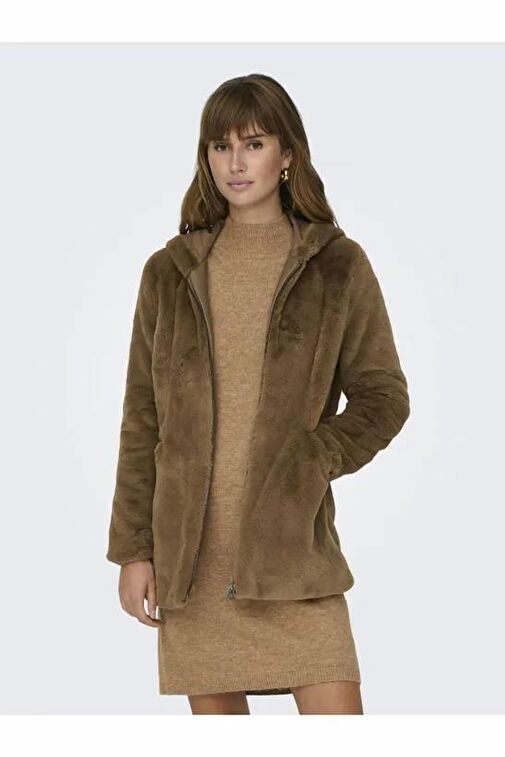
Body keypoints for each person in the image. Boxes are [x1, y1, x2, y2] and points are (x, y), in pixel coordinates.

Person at [106, 73, 410, 715]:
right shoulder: (169, 272)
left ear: (287, 154)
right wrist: (133, 550)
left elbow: (383, 396)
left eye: (253, 143)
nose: (236, 163)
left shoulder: (337, 265)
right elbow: (142, 418)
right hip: (192, 565)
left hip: (293, 558)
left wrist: (313, 457)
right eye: (220, 147)